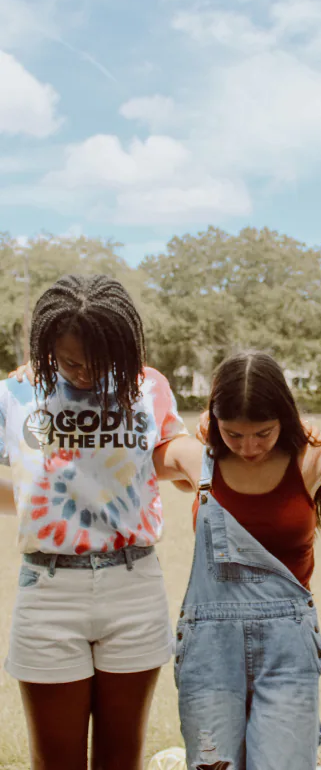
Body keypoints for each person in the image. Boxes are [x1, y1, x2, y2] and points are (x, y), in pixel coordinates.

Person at [0, 274, 186, 770]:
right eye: (69, 362)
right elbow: (17, 482)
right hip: (48, 590)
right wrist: (33, 498)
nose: (84, 375)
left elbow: (172, 460)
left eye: (99, 362)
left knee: (121, 760)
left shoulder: (149, 388)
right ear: (47, 348)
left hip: (135, 587)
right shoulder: (17, 392)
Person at [154, 350, 321, 769]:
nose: (249, 446)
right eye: (233, 434)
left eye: (264, 433)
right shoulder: (195, 459)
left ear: (285, 418)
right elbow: (122, 457)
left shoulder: (313, 459)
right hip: (209, 653)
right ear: (213, 419)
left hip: (287, 648)